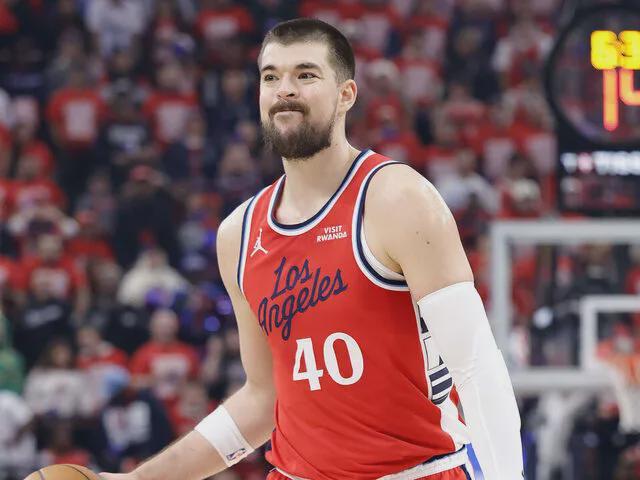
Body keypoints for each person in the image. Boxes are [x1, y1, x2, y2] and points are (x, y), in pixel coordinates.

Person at [102, 18, 523, 480]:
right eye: (271, 77)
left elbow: (475, 367)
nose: (285, 89)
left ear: (346, 95)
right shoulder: (238, 235)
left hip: (414, 471)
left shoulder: (397, 198)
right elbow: (263, 399)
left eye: (305, 74)